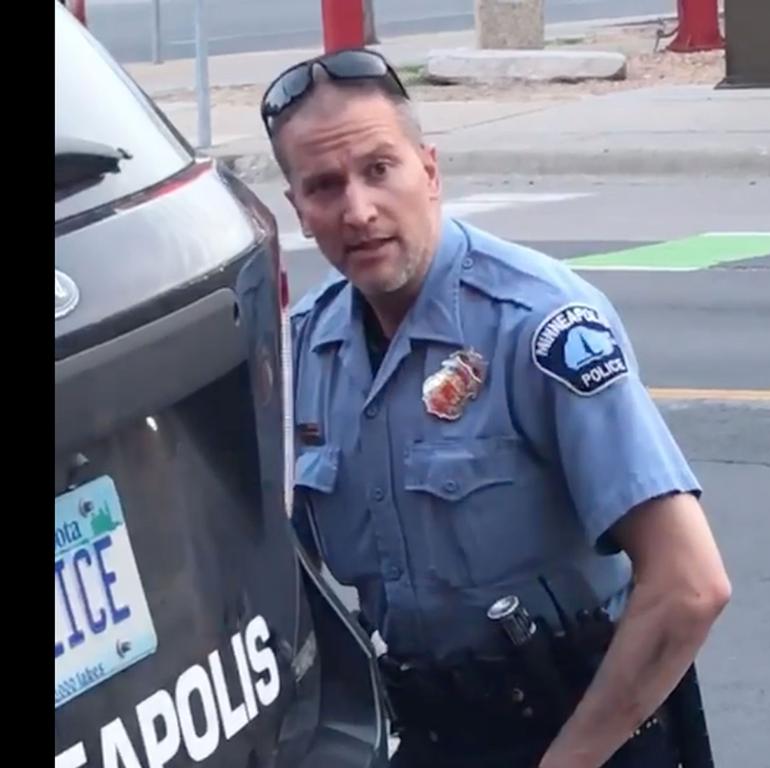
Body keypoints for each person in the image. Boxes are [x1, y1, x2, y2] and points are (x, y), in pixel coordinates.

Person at [262, 49, 731, 768]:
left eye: (379, 169)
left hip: (593, 730)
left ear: (430, 171)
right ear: (298, 210)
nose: (358, 210)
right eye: (325, 186)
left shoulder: (540, 324)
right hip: (435, 731)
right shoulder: (306, 352)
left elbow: (689, 584)